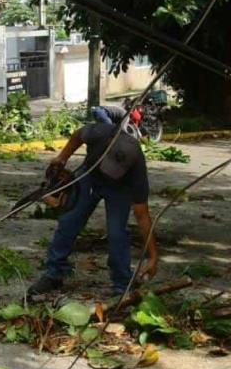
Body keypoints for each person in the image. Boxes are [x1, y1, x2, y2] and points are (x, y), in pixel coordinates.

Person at [28, 115, 159, 299]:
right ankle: (54, 273)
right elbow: (77, 135)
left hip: (120, 189)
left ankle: (122, 284)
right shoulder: (100, 133)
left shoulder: (136, 168)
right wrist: (62, 157)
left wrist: (153, 257)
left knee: (117, 233)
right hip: (90, 173)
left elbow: (142, 214)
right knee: (69, 220)